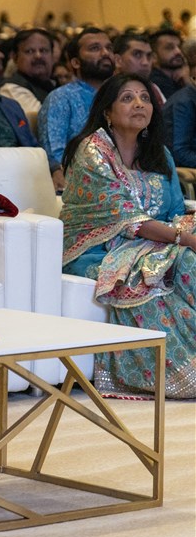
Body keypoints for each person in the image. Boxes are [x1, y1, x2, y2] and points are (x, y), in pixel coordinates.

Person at [60, 74, 196, 399]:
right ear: (107, 111)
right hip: (98, 250)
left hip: (157, 243)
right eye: (127, 98)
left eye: (145, 98)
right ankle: (181, 373)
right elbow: (126, 217)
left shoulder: (159, 154)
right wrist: (185, 239)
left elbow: (176, 210)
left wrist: (185, 231)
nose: (139, 104)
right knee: (170, 268)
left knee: (188, 261)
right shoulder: (92, 151)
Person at [38, 28, 115, 190]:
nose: (105, 53)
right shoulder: (61, 98)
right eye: (95, 48)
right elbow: (55, 155)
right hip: (82, 184)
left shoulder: (121, 96)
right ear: (75, 62)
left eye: (109, 48)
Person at [0, 28, 56, 115]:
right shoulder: (12, 89)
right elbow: (44, 120)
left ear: (52, 55)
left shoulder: (53, 84)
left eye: (43, 50)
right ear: (15, 57)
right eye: (29, 51)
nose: (38, 56)